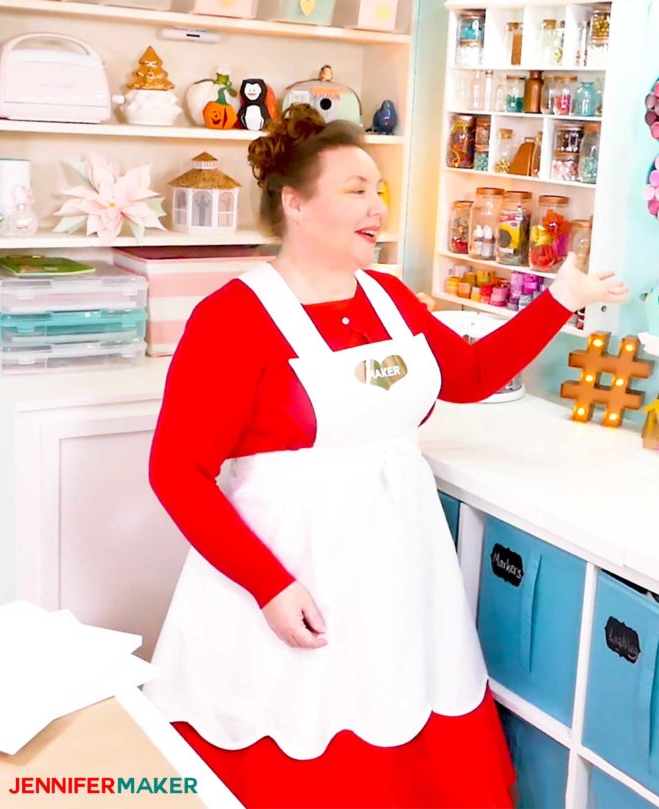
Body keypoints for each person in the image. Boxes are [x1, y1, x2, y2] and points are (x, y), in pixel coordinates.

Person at [144, 104, 628, 809]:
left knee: (405, 713)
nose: (377, 206)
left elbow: (467, 376)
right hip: (288, 569)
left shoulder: (390, 297)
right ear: (295, 203)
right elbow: (176, 472)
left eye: (379, 189)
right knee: (298, 735)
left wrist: (561, 299)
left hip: (401, 560)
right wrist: (269, 586)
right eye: (355, 189)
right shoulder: (234, 317)